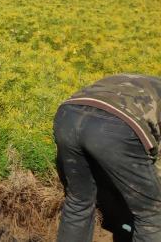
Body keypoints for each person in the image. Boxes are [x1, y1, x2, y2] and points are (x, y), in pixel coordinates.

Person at [54, 74, 161, 242]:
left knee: (79, 201)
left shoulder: (140, 80)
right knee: (152, 214)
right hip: (115, 126)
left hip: (67, 116)